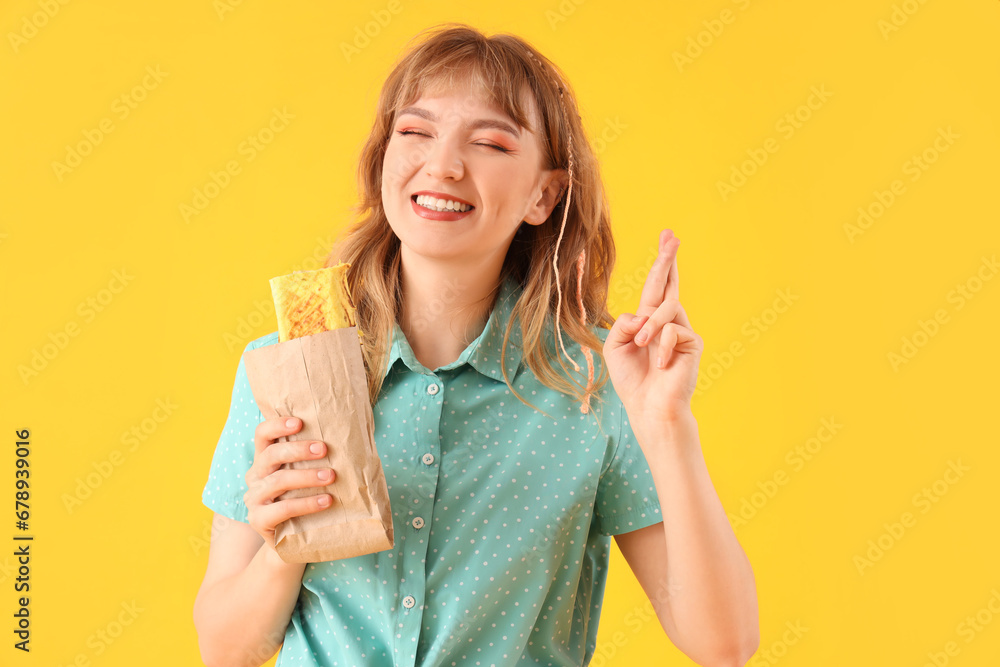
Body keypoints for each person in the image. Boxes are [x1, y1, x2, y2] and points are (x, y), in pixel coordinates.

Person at [194, 22, 758, 667]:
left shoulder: (600, 384)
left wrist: (666, 424)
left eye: (489, 142)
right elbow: (227, 652)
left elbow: (724, 644)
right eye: (415, 132)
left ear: (544, 195)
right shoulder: (288, 368)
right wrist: (283, 544)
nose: (443, 165)